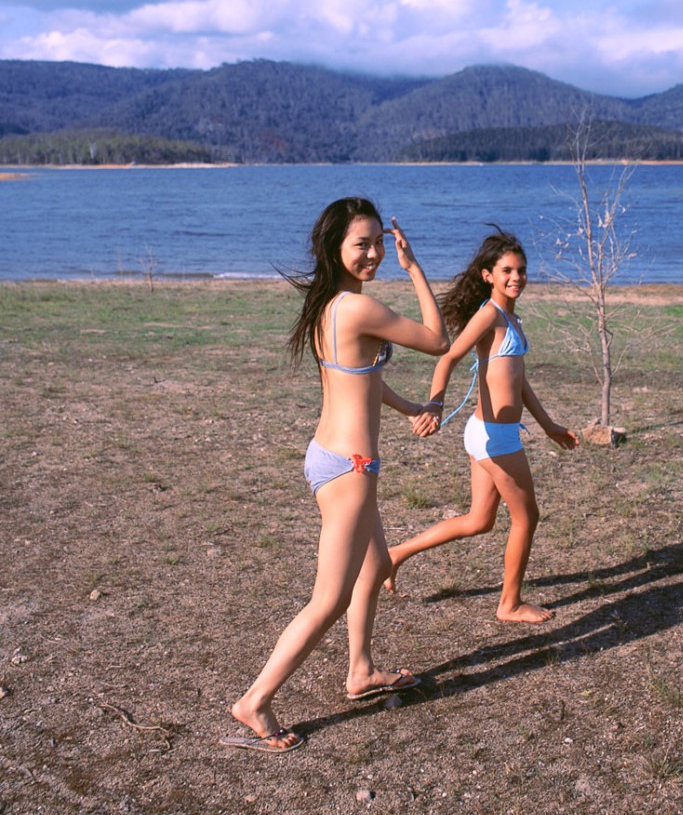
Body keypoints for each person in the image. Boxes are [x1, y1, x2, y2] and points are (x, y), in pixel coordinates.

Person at [222, 197, 448, 753]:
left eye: (379, 243)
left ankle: (361, 670)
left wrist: (410, 408)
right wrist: (414, 267)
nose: (374, 254)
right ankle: (255, 700)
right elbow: (437, 339)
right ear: (335, 248)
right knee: (329, 599)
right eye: (361, 244)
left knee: (375, 564)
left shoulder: (331, 304)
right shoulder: (355, 308)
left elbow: (358, 379)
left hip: (330, 455)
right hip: (350, 468)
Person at [387, 227, 578, 624]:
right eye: (507, 270)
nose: (516, 277)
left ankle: (395, 554)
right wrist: (435, 403)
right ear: (488, 275)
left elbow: (518, 381)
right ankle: (509, 604)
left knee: (479, 521)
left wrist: (548, 426)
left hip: (485, 433)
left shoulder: (512, 317)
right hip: (496, 439)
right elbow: (447, 358)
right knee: (527, 518)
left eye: (521, 270)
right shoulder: (490, 315)